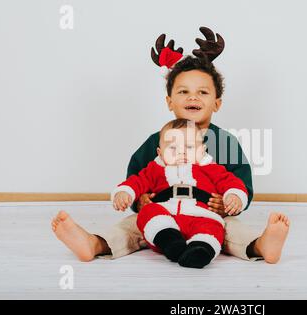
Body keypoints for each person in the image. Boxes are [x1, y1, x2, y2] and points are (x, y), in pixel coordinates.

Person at [51, 27, 290, 264]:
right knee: (131, 227)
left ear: (216, 103)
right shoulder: (157, 141)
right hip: (161, 214)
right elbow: (136, 176)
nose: (193, 97)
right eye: (183, 91)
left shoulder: (225, 142)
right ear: (169, 102)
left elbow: (240, 181)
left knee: (232, 230)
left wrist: (231, 203)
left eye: (203, 92)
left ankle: (260, 245)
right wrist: (139, 200)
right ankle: (94, 243)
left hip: (209, 214)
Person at [113, 118, 248, 268]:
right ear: (160, 152)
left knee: (213, 226)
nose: (181, 152)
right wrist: (125, 192)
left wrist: (234, 195)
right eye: (172, 148)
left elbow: (230, 181)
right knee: (148, 212)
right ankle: (169, 241)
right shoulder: (155, 169)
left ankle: (201, 249)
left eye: (189, 147)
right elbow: (137, 181)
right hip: (166, 214)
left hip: (201, 214)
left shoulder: (211, 168)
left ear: (201, 151)